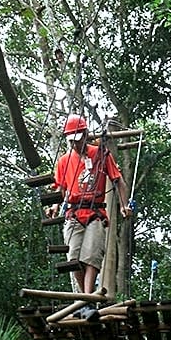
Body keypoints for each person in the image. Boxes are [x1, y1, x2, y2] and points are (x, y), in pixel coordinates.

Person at [47, 114, 133, 305]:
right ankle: (86, 298)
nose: (75, 145)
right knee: (73, 258)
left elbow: (119, 182)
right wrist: (54, 207)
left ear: (86, 134)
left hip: (95, 213)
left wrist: (124, 205)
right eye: (72, 141)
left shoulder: (101, 154)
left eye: (78, 140)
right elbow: (61, 189)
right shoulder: (64, 161)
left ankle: (87, 299)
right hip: (73, 213)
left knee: (91, 257)